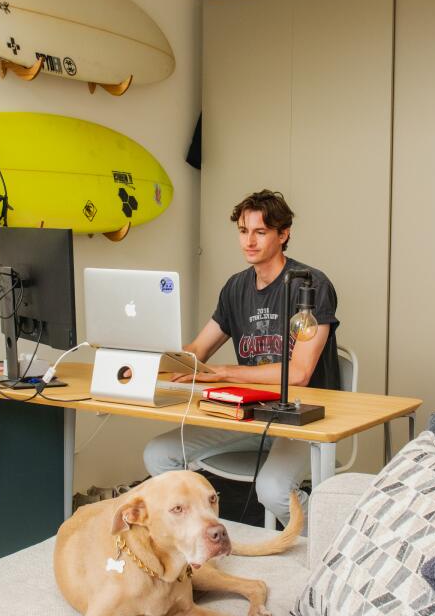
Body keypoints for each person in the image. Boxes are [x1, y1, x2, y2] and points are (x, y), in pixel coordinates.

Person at [143, 190, 339, 526]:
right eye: (243, 231)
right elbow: (197, 351)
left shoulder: (310, 285)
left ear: (283, 234)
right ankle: (203, 535)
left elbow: (300, 373)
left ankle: (328, 545)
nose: (249, 241)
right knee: (159, 455)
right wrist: (150, 359)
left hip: (303, 418)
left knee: (274, 489)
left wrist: (221, 373)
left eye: (260, 232)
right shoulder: (235, 288)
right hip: (249, 414)